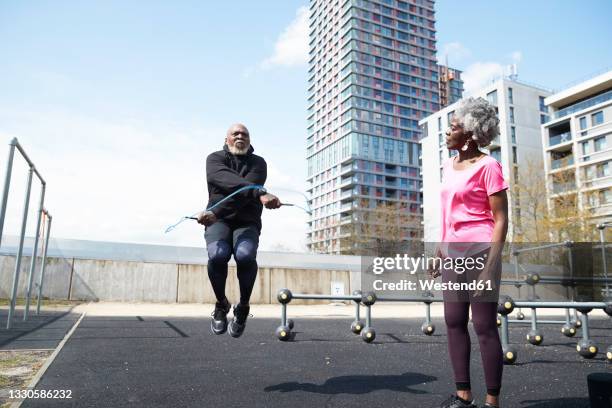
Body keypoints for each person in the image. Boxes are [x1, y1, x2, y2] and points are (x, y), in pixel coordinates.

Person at [428, 97, 509, 408]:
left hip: (480, 252)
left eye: (454, 127)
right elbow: (448, 214)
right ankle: (464, 396)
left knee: (485, 326)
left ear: (472, 134)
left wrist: (491, 266)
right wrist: (439, 249)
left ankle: (492, 401)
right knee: (453, 320)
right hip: (453, 254)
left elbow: (501, 219)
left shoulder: (490, 167)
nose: (448, 132)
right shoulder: (449, 165)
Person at [197, 123, 281, 338]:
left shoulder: (258, 163)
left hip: (247, 221)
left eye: (244, 134)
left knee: (244, 255)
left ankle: (243, 307)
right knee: (218, 255)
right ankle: (221, 304)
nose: (240, 136)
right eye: (235, 134)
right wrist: (260, 192)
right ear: (227, 139)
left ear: (250, 140)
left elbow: (244, 190)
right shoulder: (214, 159)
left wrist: (255, 190)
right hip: (218, 221)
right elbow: (226, 181)